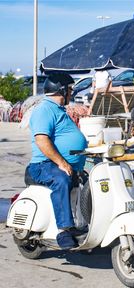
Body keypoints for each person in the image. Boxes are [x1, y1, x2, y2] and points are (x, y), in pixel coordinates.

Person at [27, 73, 88, 250]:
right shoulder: (44, 109)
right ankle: (63, 230)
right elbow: (42, 140)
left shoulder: (59, 110)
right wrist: (61, 162)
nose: (71, 93)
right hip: (43, 165)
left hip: (60, 163)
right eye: (69, 89)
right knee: (61, 180)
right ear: (61, 89)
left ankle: (80, 223)